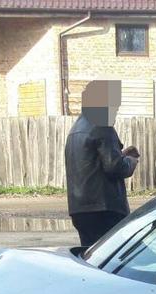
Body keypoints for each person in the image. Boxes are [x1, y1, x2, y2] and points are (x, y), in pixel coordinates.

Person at [65, 79, 139, 246]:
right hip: (104, 208)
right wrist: (131, 161)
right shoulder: (101, 124)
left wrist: (121, 154)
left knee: (92, 259)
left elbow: (91, 162)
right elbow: (115, 167)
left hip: (80, 209)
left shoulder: (76, 128)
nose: (116, 110)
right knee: (115, 259)